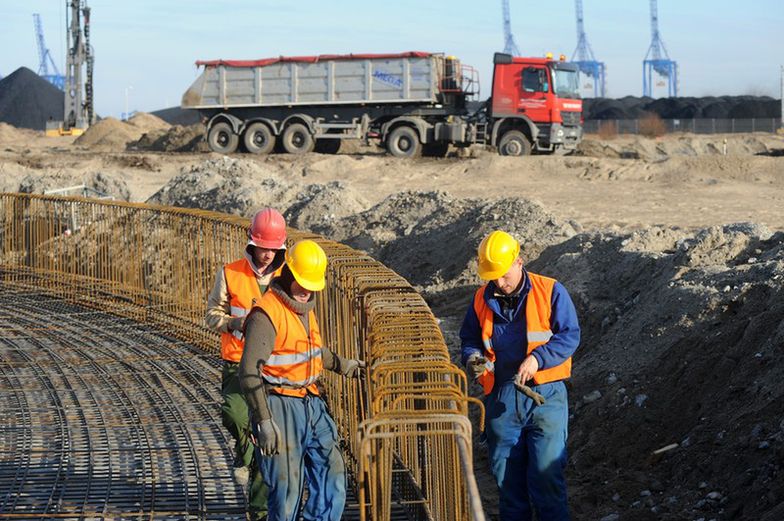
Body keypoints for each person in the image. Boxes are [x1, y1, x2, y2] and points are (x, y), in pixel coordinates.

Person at [238, 239, 364, 521]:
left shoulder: (304, 308)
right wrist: (264, 420)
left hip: (311, 401)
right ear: (289, 273)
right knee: (287, 488)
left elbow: (311, 351)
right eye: (302, 282)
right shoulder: (266, 314)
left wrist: (345, 365)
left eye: (311, 285)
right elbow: (247, 372)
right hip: (279, 405)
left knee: (331, 471)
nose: (306, 290)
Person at [460, 230, 580, 521]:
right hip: (502, 397)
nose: (499, 282)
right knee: (508, 482)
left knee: (547, 477)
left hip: (545, 396)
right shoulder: (481, 299)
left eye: (504, 275)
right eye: (493, 277)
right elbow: (470, 339)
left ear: (519, 262)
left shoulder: (550, 291)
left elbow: (569, 335)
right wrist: (473, 358)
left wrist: (538, 359)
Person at [205, 208, 287, 521]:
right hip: (237, 363)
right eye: (261, 248)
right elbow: (212, 314)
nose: (266, 255)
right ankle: (245, 455)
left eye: (272, 249)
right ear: (250, 244)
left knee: (269, 435)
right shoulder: (230, 273)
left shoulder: (286, 278)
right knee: (234, 415)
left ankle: (259, 509)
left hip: (273, 367)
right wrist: (235, 323)